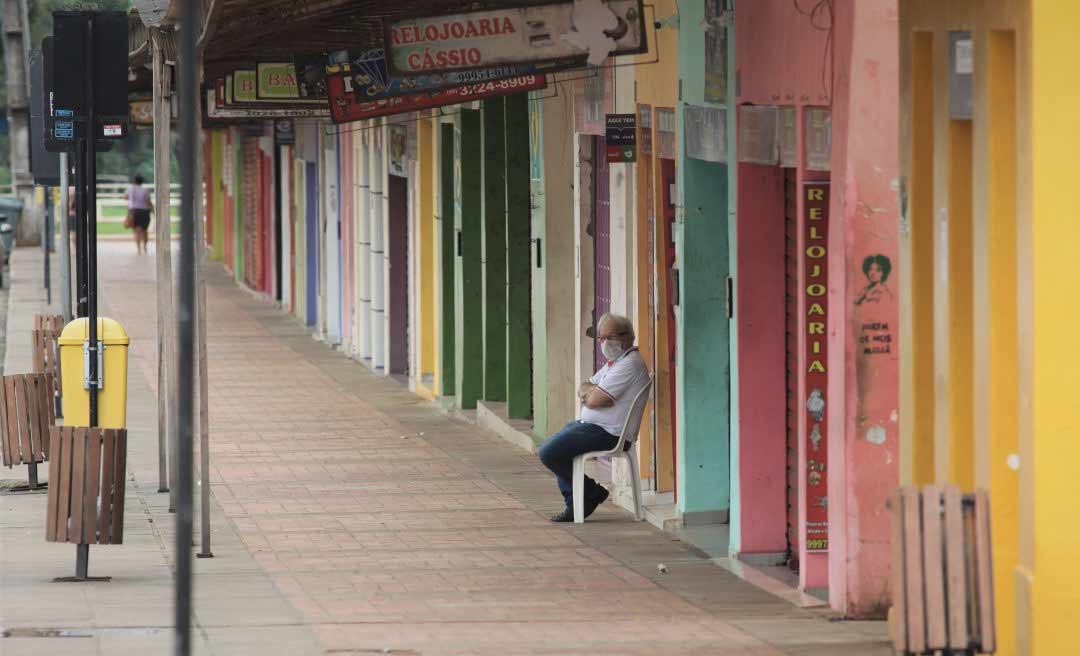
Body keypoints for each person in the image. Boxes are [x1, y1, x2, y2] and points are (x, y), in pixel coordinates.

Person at [538, 313, 651, 522]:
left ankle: (589, 494)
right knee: (556, 447)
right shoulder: (614, 363)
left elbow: (595, 401)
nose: (603, 343)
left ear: (626, 337)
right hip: (592, 426)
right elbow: (585, 385)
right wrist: (591, 393)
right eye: (600, 338)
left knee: (549, 452)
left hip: (609, 433)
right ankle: (583, 498)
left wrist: (592, 396)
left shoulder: (629, 364)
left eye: (609, 337)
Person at [124, 174, 153, 254]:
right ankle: (145, 247)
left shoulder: (130, 189)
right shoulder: (145, 190)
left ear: (134, 181)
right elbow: (148, 202)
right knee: (145, 230)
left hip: (134, 211)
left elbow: (125, 197)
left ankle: (139, 249)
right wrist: (152, 210)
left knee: (136, 231)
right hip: (144, 212)